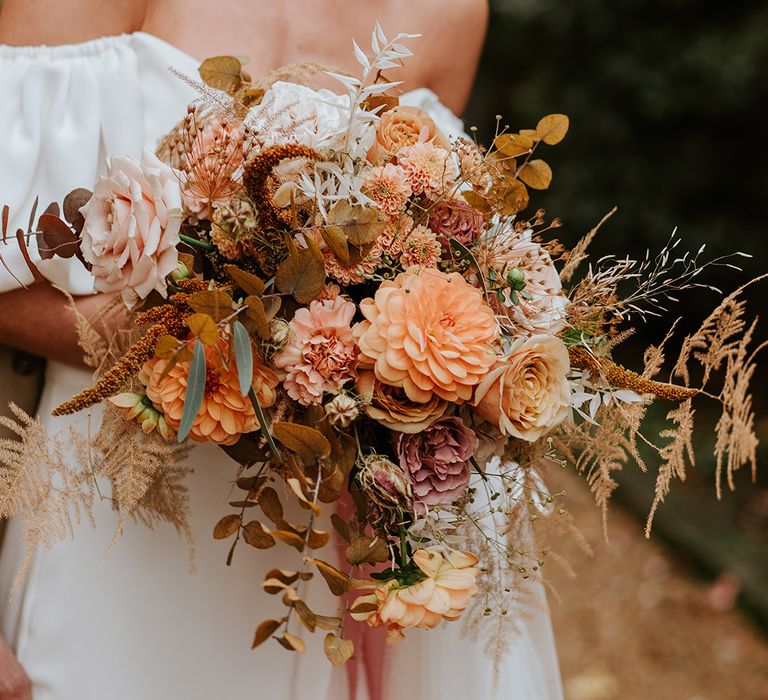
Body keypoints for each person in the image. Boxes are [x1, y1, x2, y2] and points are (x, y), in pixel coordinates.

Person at [0, 1, 563, 697]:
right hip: (118, 503)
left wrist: (409, 354)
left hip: (329, 542)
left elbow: (436, 234)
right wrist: (237, 347)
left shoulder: (450, 14)